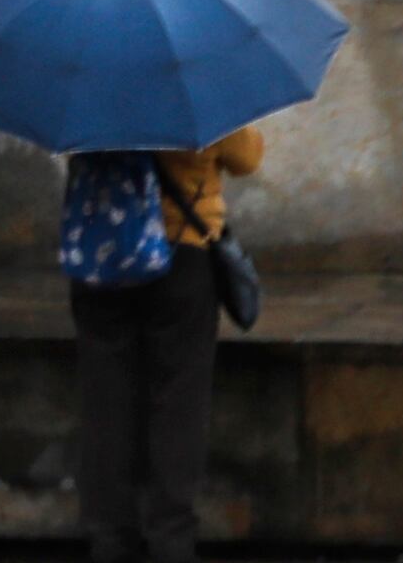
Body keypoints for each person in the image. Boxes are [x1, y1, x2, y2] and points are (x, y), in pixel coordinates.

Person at [64, 125, 258, 563]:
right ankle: (171, 541)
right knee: (178, 403)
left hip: (103, 254)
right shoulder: (196, 79)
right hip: (180, 255)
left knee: (105, 402)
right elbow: (247, 158)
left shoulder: (90, 81)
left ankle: (110, 539)